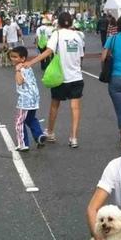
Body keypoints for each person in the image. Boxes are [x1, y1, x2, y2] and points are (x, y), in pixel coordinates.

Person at [22, 12, 84, 148]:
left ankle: (50, 132)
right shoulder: (78, 36)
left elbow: (48, 51)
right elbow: (80, 56)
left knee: (55, 105)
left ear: (59, 23)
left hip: (60, 77)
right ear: (72, 22)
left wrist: (31, 62)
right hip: (77, 77)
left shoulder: (57, 34)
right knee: (75, 108)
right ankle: (73, 138)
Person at [9, 46, 47, 151]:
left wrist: (17, 71)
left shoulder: (20, 68)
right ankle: (39, 135)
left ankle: (23, 144)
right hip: (34, 99)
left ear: (23, 58)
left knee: (19, 122)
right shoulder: (27, 67)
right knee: (30, 119)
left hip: (25, 100)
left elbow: (20, 81)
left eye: (15, 57)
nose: (12, 59)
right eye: (11, 56)